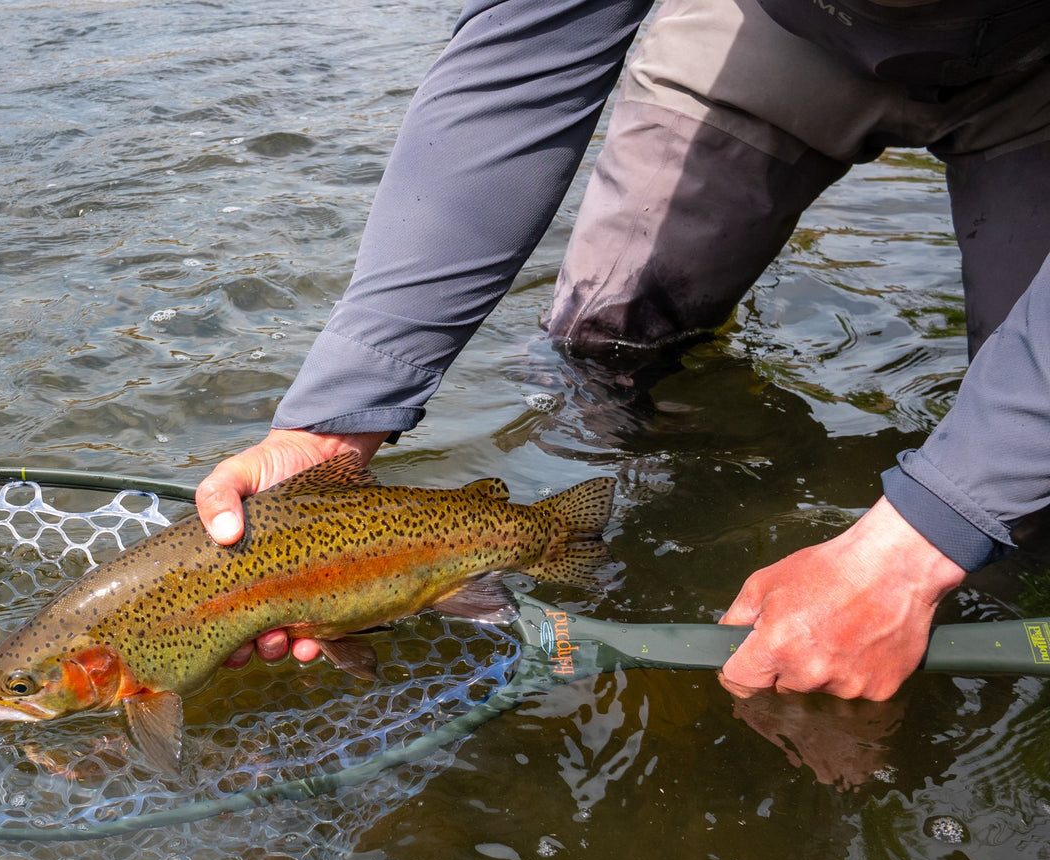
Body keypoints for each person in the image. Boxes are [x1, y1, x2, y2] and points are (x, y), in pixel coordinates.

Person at [197, 0, 1050, 699]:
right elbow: (520, 61)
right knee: (597, 356)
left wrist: (916, 545)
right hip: (786, 31)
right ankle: (602, 549)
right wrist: (333, 422)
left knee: (1016, 496)